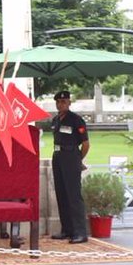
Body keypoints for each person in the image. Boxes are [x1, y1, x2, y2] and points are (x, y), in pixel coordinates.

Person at [49, 90, 89, 244]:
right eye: (58, 102)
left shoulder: (76, 120)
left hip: (71, 156)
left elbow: (85, 143)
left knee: (73, 195)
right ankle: (67, 229)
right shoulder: (55, 120)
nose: (61, 104)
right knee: (61, 194)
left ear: (69, 103)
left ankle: (80, 232)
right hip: (58, 156)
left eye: (64, 102)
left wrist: (78, 159)